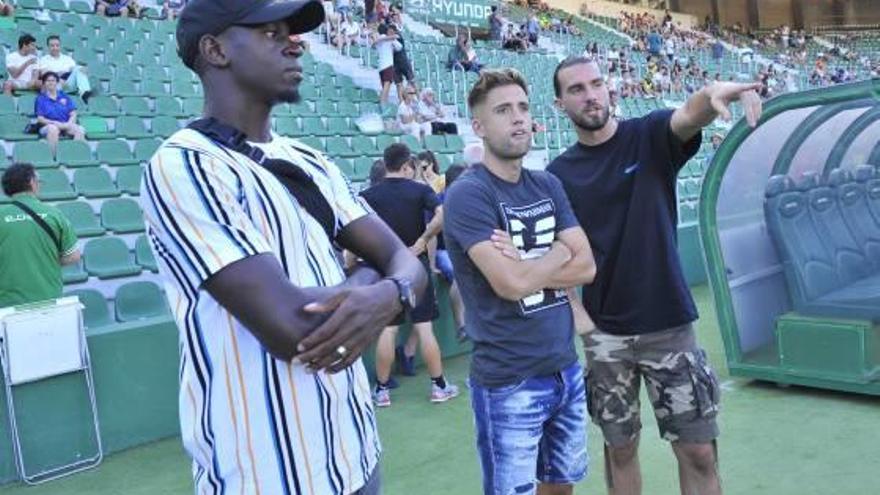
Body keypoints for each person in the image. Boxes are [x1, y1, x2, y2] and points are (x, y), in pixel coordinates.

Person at [142, 1, 430, 492]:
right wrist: (375, 280)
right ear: (214, 50)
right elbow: (295, 329)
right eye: (271, 32)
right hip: (266, 474)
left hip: (357, 456)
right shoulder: (184, 165)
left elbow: (407, 262)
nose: (295, 42)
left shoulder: (310, 159)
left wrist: (387, 288)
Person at [548, 56, 762, 495]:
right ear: (559, 104)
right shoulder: (557, 176)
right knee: (620, 449)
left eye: (596, 83)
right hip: (605, 336)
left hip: (669, 326)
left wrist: (712, 93)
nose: (590, 95)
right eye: (576, 89)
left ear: (610, 88)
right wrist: (579, 316)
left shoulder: (646, 137)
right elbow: (554, 256)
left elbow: (688, 115)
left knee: (699, 450)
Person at [444, 68, 596, 495]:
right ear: (479, 126)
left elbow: (587, 268)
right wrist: (558, 252)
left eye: (524, 108)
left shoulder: (547, 183)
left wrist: (529, 262)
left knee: (562, 486)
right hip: (509, 381)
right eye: (503, 110)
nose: (518, 119)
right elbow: (510, 284)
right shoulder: (469, 194)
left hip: (565, 368)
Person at [359, 144, 458, 406]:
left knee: (389, 330)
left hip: (386, 266)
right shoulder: (421, 190)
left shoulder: (367, 195)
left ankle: (381, 392)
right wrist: (423, 239)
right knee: (424, 328)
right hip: (416, 266)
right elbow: (442, 215)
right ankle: (439, 387)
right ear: (406, 166)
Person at [0, 163, 80, 309]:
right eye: (39, 181)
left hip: (8, 304)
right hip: (48, 298)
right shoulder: (54, 214)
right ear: (31, 182)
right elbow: (73, 256)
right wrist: (42, 259)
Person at [35, 72, 86, 156]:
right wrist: (55, 123)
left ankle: (74, 155)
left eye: (53, 80)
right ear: (44, 83)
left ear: (57, 82)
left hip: (65, 123)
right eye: (48, 81)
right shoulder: (40, 99)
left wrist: (69, 123)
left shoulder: (64, 96)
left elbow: (73, 113)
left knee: (80, 129)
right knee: (53, 129)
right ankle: (54, 157)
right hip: (48, 125)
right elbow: (40, 119)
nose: (51, 82)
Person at [38, 35, 94, 104]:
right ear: (48, 47)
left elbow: (74, 69)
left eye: (57, 45)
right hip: (54, 85)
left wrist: (82, 69)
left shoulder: (67, 59)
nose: (55, 48)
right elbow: (44, 74)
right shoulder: (43, 59)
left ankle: (85, 94)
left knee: (79, 68)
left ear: (60, 46)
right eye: (52, 46)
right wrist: (58, 77)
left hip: (67, 84)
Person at [373, 23, 400, 104]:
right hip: (388, 65)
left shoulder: (379, 39)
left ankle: (384, 100)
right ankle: (383, 102)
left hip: (381, 66)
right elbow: (398, 43)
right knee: (387, 84)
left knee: (384, 85)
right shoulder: (387, 38)